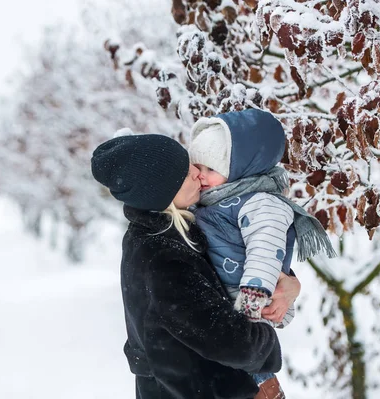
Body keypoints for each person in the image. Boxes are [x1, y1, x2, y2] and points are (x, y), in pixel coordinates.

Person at [90, 133, 301, 399]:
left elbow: (233, 264)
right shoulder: (163, 256)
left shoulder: (173, 232)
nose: (197, 174)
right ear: (161, 191)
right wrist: (264, 340)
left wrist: (287, 282)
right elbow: (231, 341)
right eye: (184, 172)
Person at [188, 108, 337, 390]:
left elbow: (265, 251)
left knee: (251, 375)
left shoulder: (260, 203)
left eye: (212, 169)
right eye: (198, 167)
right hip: (223, 310)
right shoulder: (215, 201)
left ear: (242, 168)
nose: (202, 177)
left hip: (246, 310)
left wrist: (251, 305)